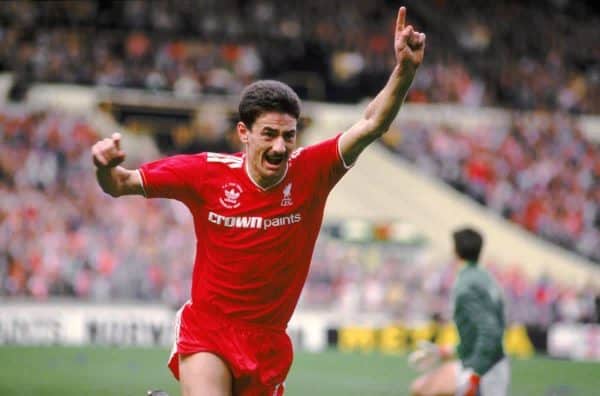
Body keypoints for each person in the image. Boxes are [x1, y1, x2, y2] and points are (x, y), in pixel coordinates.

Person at [91, 6, 425, 396]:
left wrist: (405, 71)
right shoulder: (205, 172)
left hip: (268, 343)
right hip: (208, 331)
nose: (280, 146)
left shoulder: (313, 170)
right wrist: (103, 166)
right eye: (269, 134)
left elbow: (372, 123)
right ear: (243, 133)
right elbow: (119, 183)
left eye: (289, 135)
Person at [409, 227, 510, 396]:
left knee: (424, 389)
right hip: (487, 362)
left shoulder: (466, 284)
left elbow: (489, 331)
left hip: (484, 368)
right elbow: (482, 332)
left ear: (455, 251)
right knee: (421, 388)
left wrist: (475, 375)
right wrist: (445, 351)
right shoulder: (484, 277)